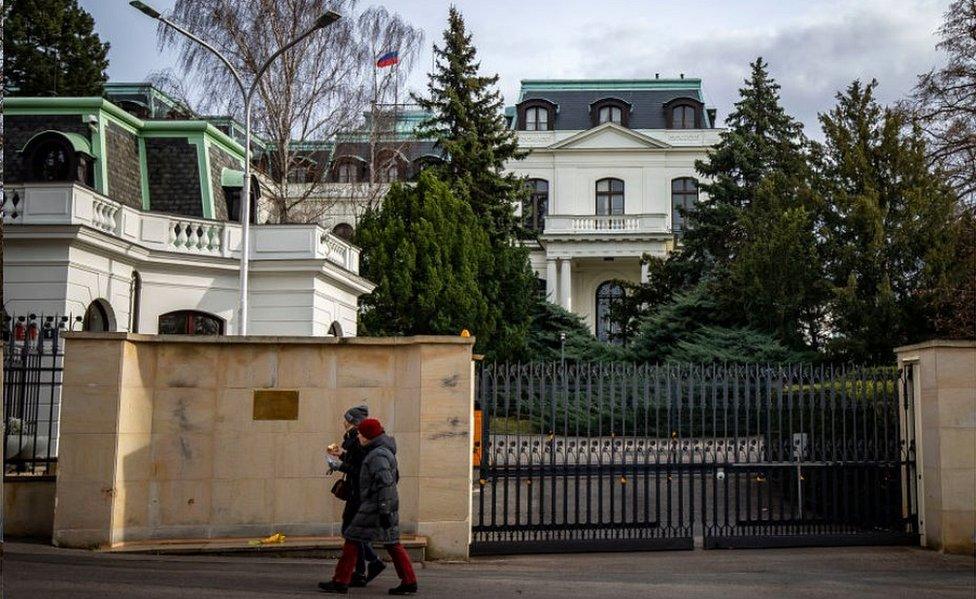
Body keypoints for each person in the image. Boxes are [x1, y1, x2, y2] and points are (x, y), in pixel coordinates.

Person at [319, 418, 418, 595]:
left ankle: (340, 581)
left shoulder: (377, 455)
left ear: (368, 436)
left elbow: (386, 484)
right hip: (379, 506)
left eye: (360, 434)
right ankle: (409, 580)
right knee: (391, 542)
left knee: (353, 539)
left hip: (375, 507)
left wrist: (384, 510)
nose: (358, 437)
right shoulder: (379, 451)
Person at [327, 405, 385, 588]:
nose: (343, 422)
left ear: (352, 422)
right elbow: (357, 462)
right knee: (353, 532)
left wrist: (339, 466)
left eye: (346, 419)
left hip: (358, 492)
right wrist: (342, 456)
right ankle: (359, 572)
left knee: (350, 531)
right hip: (357, 491)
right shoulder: (354, 439)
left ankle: (373, 562)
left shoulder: (358, 439)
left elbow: (361, 469)